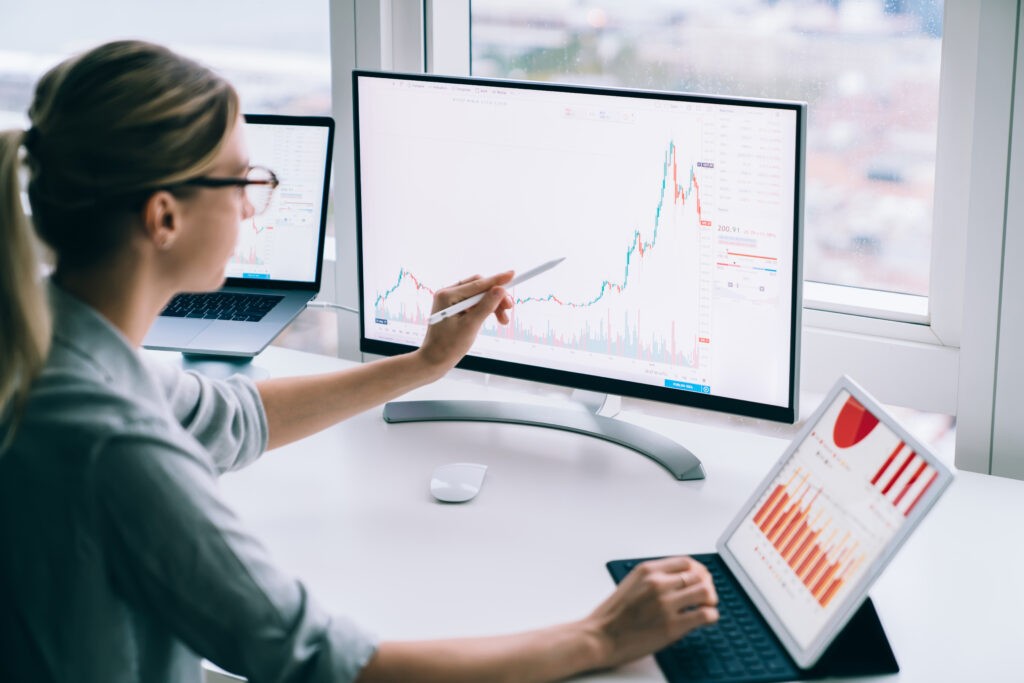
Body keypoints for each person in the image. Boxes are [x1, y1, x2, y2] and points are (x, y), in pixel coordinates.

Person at [0, 40, 719, 683]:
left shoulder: (55, 345)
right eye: (242, 181)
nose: (255, 208)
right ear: (164, 218)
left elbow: (232, 415)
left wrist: (423, 363)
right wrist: (599, 635)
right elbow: (328, 664)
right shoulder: (113, 444)